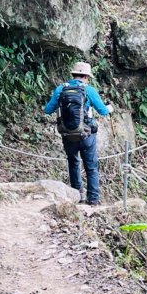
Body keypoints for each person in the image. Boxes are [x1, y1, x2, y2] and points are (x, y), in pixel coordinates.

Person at [44, 62, 112, 205]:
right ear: (86, 76)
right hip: (86, 135)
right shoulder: (88, 90)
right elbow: (103, 111)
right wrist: (110, 108)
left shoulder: (61, 89)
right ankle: (93, 199)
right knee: (91, 166)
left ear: (73, 74)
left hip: (68, 134)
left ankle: (77, 196)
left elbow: (48, 110)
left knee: (73, 162)